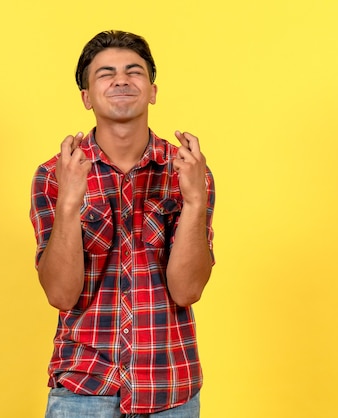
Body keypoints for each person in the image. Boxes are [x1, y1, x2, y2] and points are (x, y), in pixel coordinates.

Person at [30, 30, 216, 417]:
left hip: (169, 390)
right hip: (82, 391)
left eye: (134, 72)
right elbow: (61, 295)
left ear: (152, 90)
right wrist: (69, 203)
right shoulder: (54, 174)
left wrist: (195, 199)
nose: (120, 80)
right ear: (86, 97)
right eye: (105, 73)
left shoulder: (187, 172)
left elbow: (187, 290)